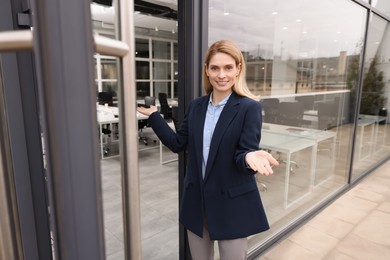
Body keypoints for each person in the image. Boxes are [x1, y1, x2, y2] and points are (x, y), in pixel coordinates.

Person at [137, 40, 279, 260]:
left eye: (228, 67)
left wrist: (250, 156)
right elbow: (177, 144)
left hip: (230, 205)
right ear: (207, 70)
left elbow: (242, 154)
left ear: (238, 69)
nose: (221, 75)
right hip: (197, 203)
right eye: (215, 68)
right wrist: (155, 116)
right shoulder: (196, 106)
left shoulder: (249, 108)